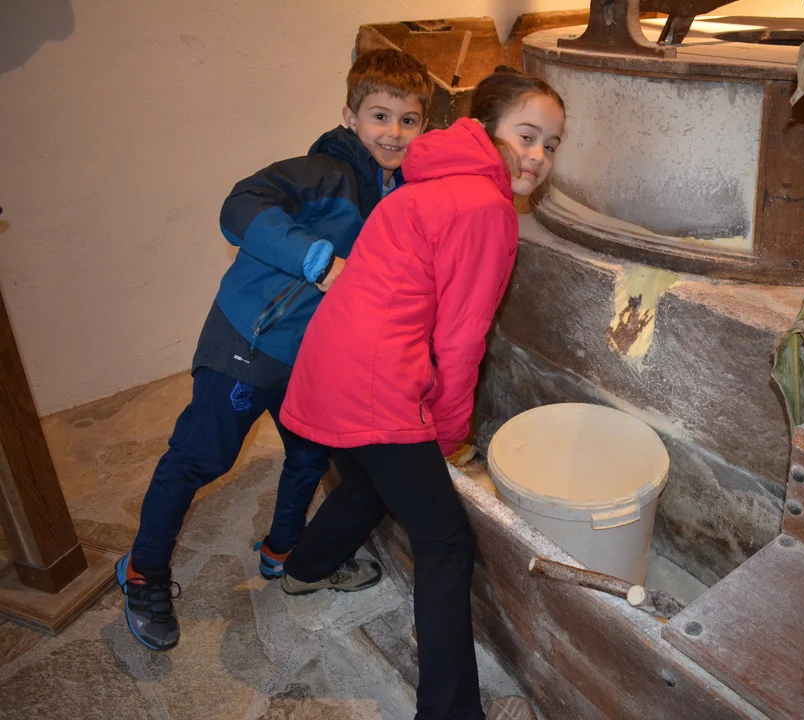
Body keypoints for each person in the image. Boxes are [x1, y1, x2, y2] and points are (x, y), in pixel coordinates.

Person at [114, 48, 434, 652]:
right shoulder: (324, 172)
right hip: (249, 340)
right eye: (380, 116)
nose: (394, 132)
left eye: (408, 119)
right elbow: (240, 205)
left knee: (309, 458)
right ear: (350, 117)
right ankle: (142, 570)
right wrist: (317, 260)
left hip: (313, 358)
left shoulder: (397, 192)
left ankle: (282, 551)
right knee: (200, 458)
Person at [276, 69, 566, 720]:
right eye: (526, 135)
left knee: (367, 482)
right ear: (486, 129)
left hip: (330, 363)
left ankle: (304, 569)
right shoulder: (486, 208)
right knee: (446, 541)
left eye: (550, 145)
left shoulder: (431, 181)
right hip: (373, 380)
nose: (537, 156)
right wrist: (447, 432)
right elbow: (461, 340)